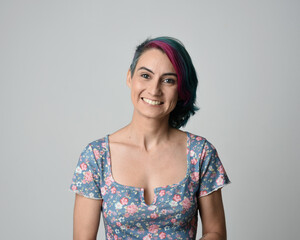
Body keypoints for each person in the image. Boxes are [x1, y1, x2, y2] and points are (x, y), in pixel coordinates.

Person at [69, 36, 231, 240]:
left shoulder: (201, 153)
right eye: (146, 76)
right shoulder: (96, 157)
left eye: (168, 80)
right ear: (129, 77)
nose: (154, 90)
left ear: (181, 91)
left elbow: (215, 233)